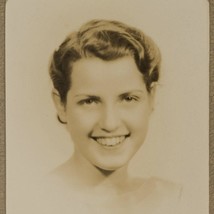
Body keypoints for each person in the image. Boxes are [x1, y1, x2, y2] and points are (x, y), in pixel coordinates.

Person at [47, 19, 182, 214]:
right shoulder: (31, 197)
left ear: (151, 98)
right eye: (90, 101)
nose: (110, 123)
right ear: (61, 105)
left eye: (128, 98)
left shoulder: (173, 200)